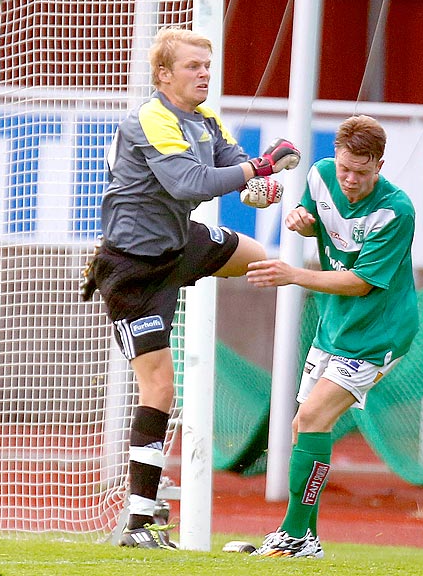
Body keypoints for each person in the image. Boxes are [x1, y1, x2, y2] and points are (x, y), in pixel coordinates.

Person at [81, 27, 299, 550]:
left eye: (207, 65)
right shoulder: (150, 116)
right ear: (163, 75)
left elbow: (227, 166)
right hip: (135, 269)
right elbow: (191, 184)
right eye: (193, 66)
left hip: (182, 244)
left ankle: (334, 342)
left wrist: (260, 187)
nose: (205, 73)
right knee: (159, 389)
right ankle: (138, 524)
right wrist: (261, 167)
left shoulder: (203, 118)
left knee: (271, 263)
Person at [246, 114, 419, 559]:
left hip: (378, 333)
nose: (350, 179)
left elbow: (361, 282)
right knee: (302, 425)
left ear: (379, 165)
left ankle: (292, 536)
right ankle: (306, 539)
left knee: (317, 417)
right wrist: (301, 220)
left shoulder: (396, 211)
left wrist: (293, 274)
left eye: (361, 172)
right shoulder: (321, 174)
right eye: (345, 168)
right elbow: (309, 217)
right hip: (334, 326)